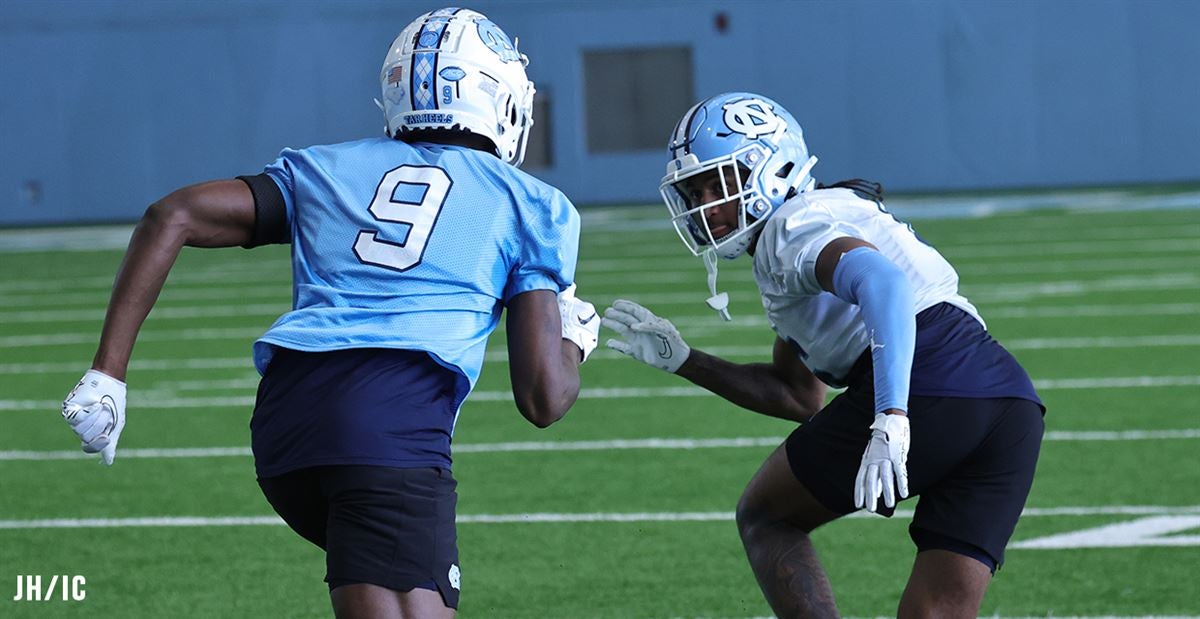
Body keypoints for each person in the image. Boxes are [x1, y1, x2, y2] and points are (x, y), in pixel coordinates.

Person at [59, 8, 600, 618]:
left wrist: (108, 373)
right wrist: (574, 340)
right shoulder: (531, 204)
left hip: (285, 428)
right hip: (389, 422)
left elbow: (172, 215)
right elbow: (543, 399)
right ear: (497, 98)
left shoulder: (324, 167)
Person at [603, 92, 1044, 618]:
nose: (706, 207)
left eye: (717, 185)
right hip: (1007, 401)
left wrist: (892, 416)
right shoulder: (820, 220)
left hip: (926, 375)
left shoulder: (792, 228)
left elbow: (883, 282)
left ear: (771, 168)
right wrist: (687, 361)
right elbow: (798, 394)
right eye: (693, 191)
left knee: (765, 515)